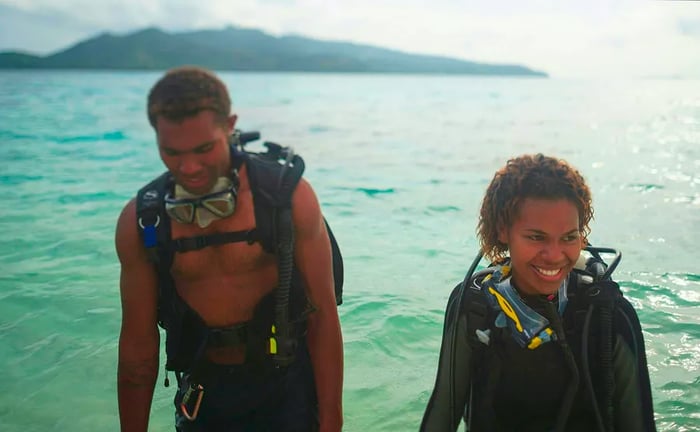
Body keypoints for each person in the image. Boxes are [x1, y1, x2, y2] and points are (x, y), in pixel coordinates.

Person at [115, 66, 344, 431]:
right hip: (205, 391)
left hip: (288, 385)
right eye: (171, 152)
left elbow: (323, 315)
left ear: (229, 125)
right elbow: (138, 353)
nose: (188, 167)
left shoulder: (288, 199)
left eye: (204, 149)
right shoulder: (143, 222)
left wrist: (332, 420)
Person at [420, 154, 656, 431]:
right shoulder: (475, 305)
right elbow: (442, 413)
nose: (555, 256)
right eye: (536, 237)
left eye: (569, 237)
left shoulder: (606, 312)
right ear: (503, 230)